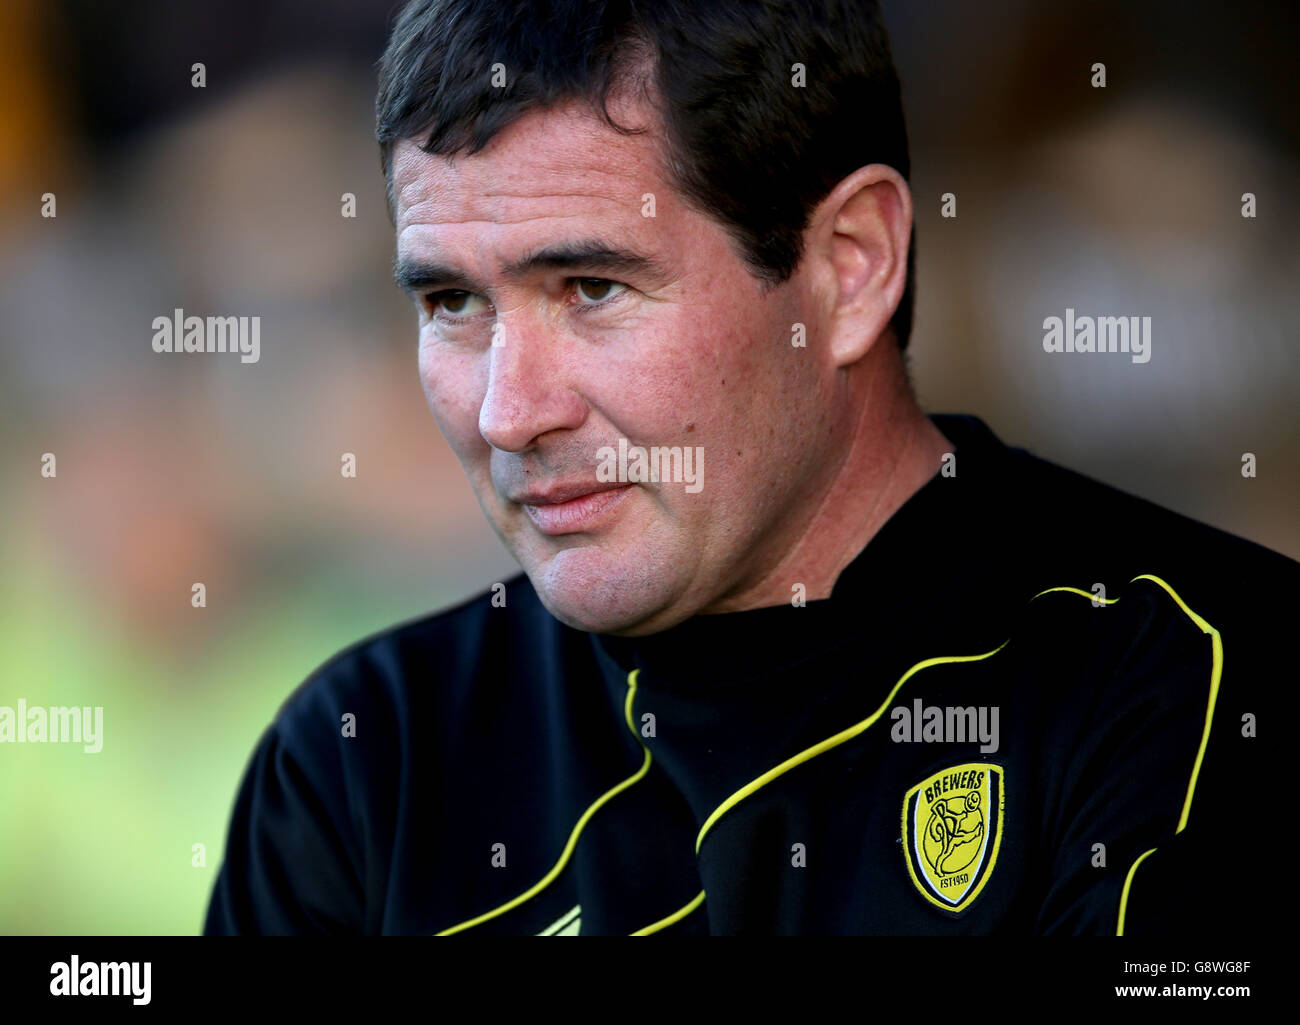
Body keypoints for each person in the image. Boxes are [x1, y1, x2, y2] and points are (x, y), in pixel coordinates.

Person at [204, 0, 1291, 935]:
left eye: (590, 286)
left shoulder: (1203, 679)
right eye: (452, 303)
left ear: (849, 266)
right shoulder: (362, 760)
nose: (508, 410)